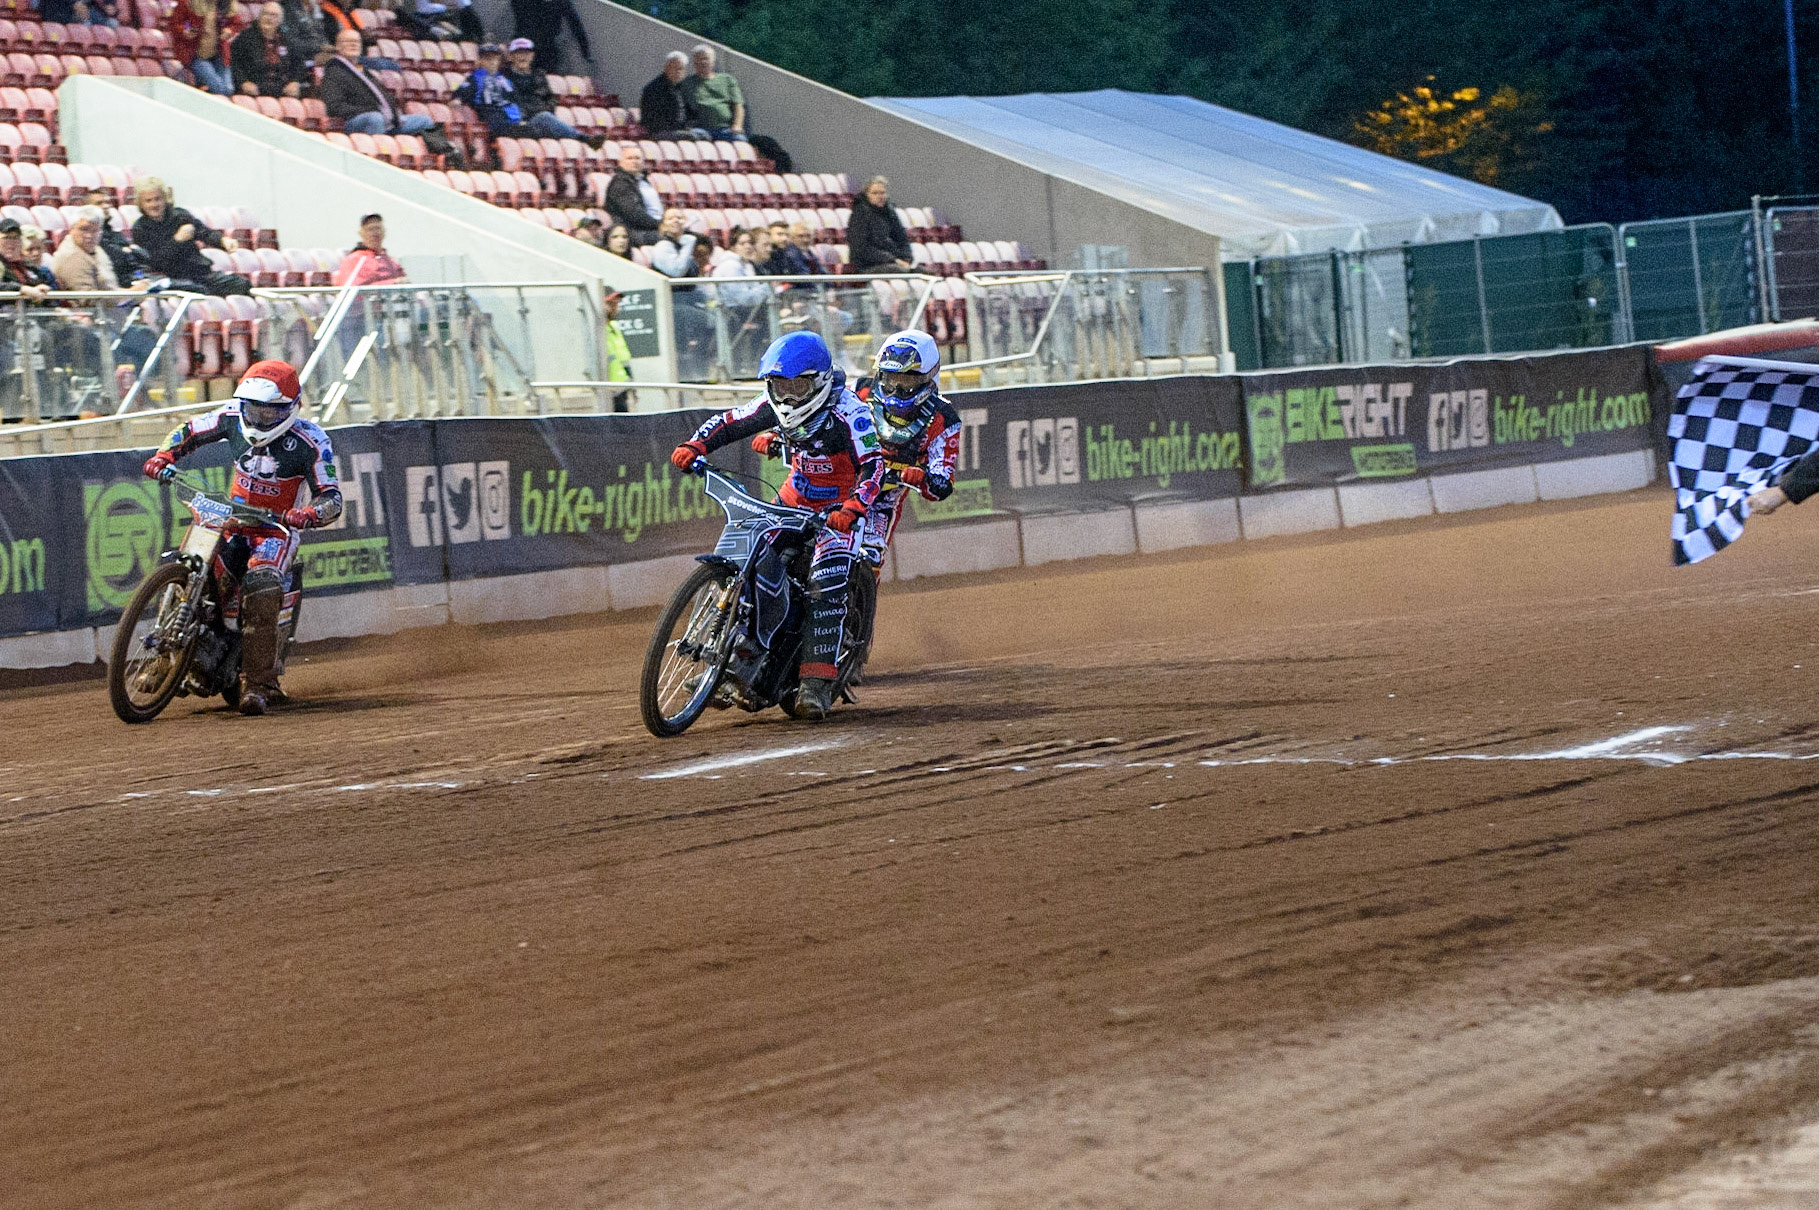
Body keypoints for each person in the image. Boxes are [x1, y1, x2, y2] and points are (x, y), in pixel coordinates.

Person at [669, 330, 884, 719]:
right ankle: (735, 666)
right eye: (778, 384)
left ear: (818, 381)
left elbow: (874, 466)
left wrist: (853, 508)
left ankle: (816, 685)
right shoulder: (774, 403)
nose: (786, 395)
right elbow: (731, 421)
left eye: (797, 385)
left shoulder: (850, 412)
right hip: (791, 500)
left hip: (838, 511)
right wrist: (695, 445)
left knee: (826, 584)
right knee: (753, 561)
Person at [141, 360, 342, 715]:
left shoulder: (312, 440)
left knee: (262, 584)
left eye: (269, 412)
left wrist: (309, 514)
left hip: (275, 528)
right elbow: (188, 429)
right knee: (190, 565)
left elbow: (332, 496)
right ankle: (163, 659)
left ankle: (260, 684)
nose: (259, 418)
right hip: (230, 517)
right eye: (253, 409)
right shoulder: (232, 415)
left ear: (291, 409)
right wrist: (164, 455)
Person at [856, 330, 960, 570]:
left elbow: (942, 484)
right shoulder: (860, 392)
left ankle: (858, 602)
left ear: (928, 378)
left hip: (882, 499)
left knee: (868, 560)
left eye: (907, 381)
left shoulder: (943, 418)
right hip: (839, 484)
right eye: (891, 379)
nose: (896, 388)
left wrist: (923, 478)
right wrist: (779, 435)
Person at [456, 42, 601, 144]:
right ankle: (582, 139)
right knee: (545, 126)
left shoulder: (504, 80)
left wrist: (520, 118)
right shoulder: (475, 79)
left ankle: (583, 139)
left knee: (545, 120)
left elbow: (516, 102)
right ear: (480, 60)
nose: (492, 61)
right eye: (487, 58)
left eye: (494, 58)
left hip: (515, 124)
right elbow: (459, 96)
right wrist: (457, 103)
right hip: (498, 126)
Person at [130, 177, 251, 296]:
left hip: (200, 273)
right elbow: (156, 261)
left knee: (243, 285)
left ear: (164, 199)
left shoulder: (179, 215)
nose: (154, 204)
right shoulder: (140, 229)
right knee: (198, 291)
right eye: (148, 201)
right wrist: (177, 240)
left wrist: (222, 240)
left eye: (157, 199)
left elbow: (204, 232)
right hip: (174, 278)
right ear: (141, 204)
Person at [318, 28, 437, 137]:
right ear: (338, 47)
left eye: (357, 42)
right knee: (375, 119)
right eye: (348, 42)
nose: (353, 44)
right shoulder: (333, 72)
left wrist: (393, 115)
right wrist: (370, 110)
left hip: (385, 119)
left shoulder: (363, 71)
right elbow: (334, 107)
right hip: (353, 122)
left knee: (425, 120)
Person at [231, 2, 306, 98]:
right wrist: (243, 82)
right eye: (265, 14)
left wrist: (295, 82)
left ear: (280, 20)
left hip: (283, 92)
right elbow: (235, 63)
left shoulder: (287, 40)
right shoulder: (245, 38)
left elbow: (299, 63)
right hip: (254, 91)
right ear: (259, 16)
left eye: (273, 15)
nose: (269, 18)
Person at [679, 45, 745, 141]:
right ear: (694, 63)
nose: (703, 62)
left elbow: (738, 105)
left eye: (706, 59)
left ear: (713, 61)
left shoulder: (727, 80)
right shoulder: (687, 82)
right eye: (699, 59)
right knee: (691, 138)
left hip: (725, 129)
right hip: (701, 129)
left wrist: (737, 125)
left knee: (740, 141)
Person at [847, 175, 912, 273]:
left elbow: (903, 240)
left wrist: (906, 258)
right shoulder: (859, 214)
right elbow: (862, 249)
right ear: (867, 195)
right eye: (875, 193)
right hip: (867, 266)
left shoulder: (890, 213)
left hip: (892, 262)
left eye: (882, 193)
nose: (879, 196)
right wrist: (893, 260)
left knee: (927, 273)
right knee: (897, 270)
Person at [603, 144, 665, 246]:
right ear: (621, 162)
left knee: (691, 236)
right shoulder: (619, 184)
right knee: (677, 238)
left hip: (653, 227)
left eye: (637, 158)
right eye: (629, 158)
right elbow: (635, 215)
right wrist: (661, 225)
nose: (634, 161)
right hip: (633, 232)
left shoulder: (643, 181)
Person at [172, 0, 238, 95]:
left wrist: (229, 30)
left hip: (219, 54)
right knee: (219, 88)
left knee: (229, 89)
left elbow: (236, 23)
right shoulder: (187, 3)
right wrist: (184, 30)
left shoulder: (226, 4)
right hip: (196, 56)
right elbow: (175, 24)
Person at [49, 208, 122, 292]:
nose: (89, 236)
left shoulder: (95, 249)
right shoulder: (72, 256)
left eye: (95, 231)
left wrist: (133, 291)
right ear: (71, 229)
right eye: (83, 229)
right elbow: (90, 300)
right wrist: (133, 294)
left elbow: (112, 289)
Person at [639, 51, 706, 140]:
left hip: (681, 130)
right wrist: (678, 129)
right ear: (666, 68)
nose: (678, 72)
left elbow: (691, 112)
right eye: (676, 68)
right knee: (693, 137)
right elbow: (651, 119)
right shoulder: (654, 89)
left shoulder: (682, 88)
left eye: (681, 69)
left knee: (706, 134)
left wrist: (690, 125)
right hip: (660, 132)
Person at [508, 0, 589, 73]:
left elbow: (575, 24)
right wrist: (585, 50)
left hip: (542, 48)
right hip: (530, 45)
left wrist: (584, 48)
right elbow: (575, 24)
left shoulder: (560, 2)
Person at [332, 213, 408, 286]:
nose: (375, 233)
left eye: (378, 228)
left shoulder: (390, 261)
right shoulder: (354, 259)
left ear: (384, 232)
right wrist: (393, 283)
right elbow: (353, 290)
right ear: (361, 234)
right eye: (370, 229)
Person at [0, 218, 52, 300]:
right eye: (6, 238)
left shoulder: (27, 265)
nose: (11, 242)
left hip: (32, 310)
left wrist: (40, 286)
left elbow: (40, 282)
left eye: (15, 238)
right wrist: (21, 289)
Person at [602, 288, 631, 410]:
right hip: (605, 393)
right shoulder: (598, 329)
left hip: (620, 390)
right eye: (610, 304)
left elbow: (623, 357)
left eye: (616, 304)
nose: (615, 308)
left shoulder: (614, 326)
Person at [412, 0, 482, 44]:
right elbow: (423, 8)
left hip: (452, 17)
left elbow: (466, 6)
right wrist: (445, 7)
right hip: (430, 18)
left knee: (467, 16)